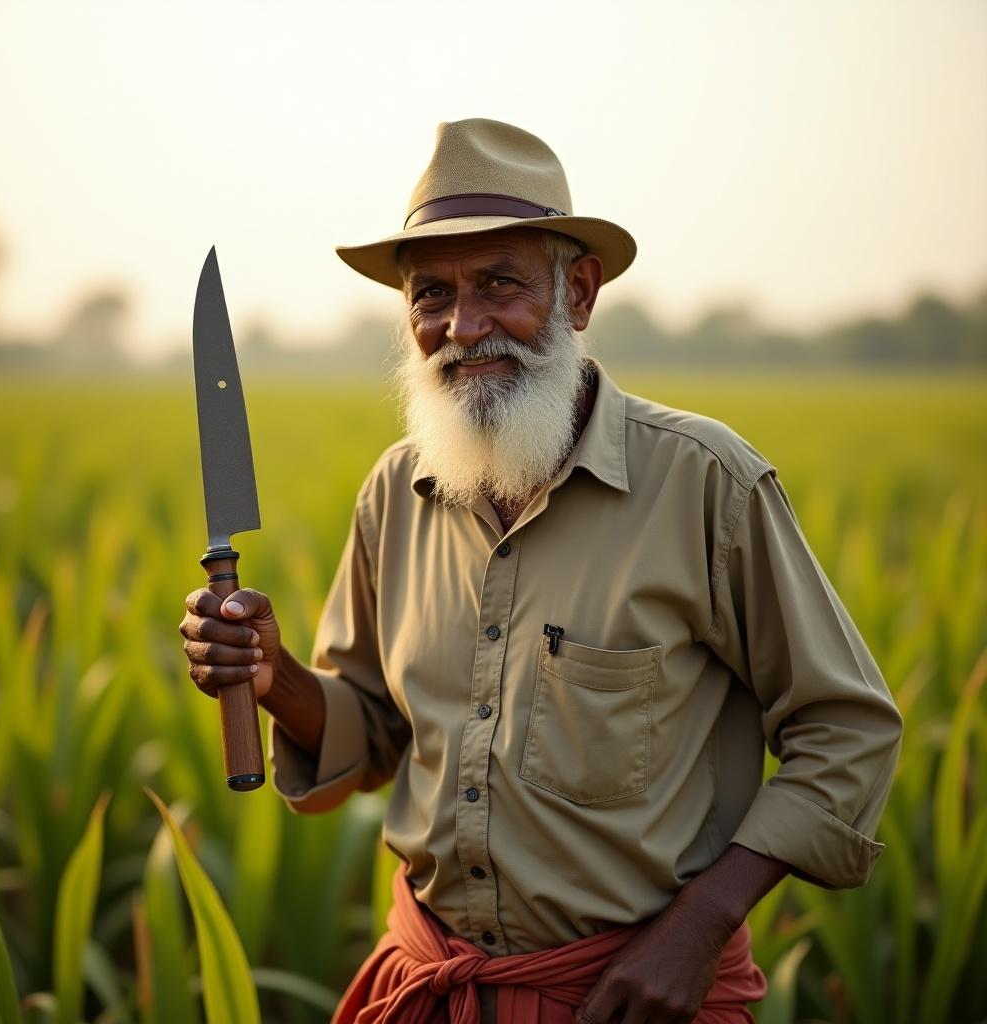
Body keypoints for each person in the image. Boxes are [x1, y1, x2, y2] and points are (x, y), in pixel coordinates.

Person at [179, 119, 903, 1024]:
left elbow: (847, 728)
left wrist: (700, 927)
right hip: (433, 983)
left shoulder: (704, 484)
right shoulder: (396, 492)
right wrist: (271, 674)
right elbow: (372, 736)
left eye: (499, 286)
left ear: (580, 293)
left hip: (633, 994)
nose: (462, 326)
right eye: (431, 293)